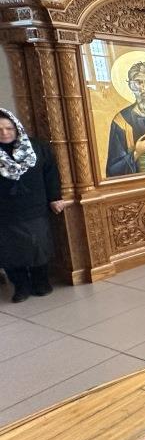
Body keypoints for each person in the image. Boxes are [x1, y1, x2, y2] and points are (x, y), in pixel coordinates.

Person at [0, 108, 68, 302]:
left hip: (35, 207)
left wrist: (55, 197)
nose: (4, 133)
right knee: (10, 250)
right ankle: (21, 286)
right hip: (5, 212)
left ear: (17, 127)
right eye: (0, 129)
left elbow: (50, 173)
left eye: (9, 128)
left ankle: (41, 281)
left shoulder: (37, 147)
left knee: (38, 246)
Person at [106, 61, 145, 177]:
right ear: (131, 86)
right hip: (139, 182)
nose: (144, 88)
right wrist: (136, 153)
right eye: (139, 82)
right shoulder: (121, 121)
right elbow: (113, 169)